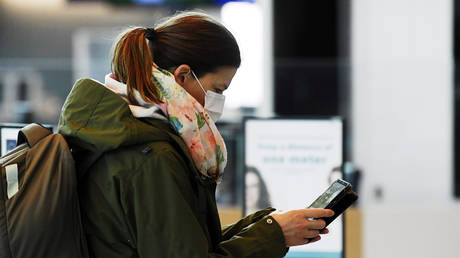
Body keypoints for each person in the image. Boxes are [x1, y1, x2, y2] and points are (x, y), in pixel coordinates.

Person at [58, 11, 334, 258]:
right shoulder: (152, 154)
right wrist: (275, 235)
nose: (218, 102)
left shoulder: (122, 131)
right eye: (219, 89)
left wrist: (265, 227)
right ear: (182, 77)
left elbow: (181, 241)